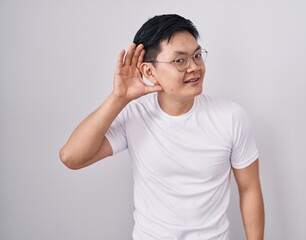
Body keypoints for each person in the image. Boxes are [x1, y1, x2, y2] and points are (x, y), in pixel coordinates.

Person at [59, 14, 264, 240]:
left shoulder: (230, 117)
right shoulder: (135, 115)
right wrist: (119, 97)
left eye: (197, 55)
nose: (194, 67)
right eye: (180, 60)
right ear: (149, 71)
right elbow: (72, 157)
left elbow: (249, 189)